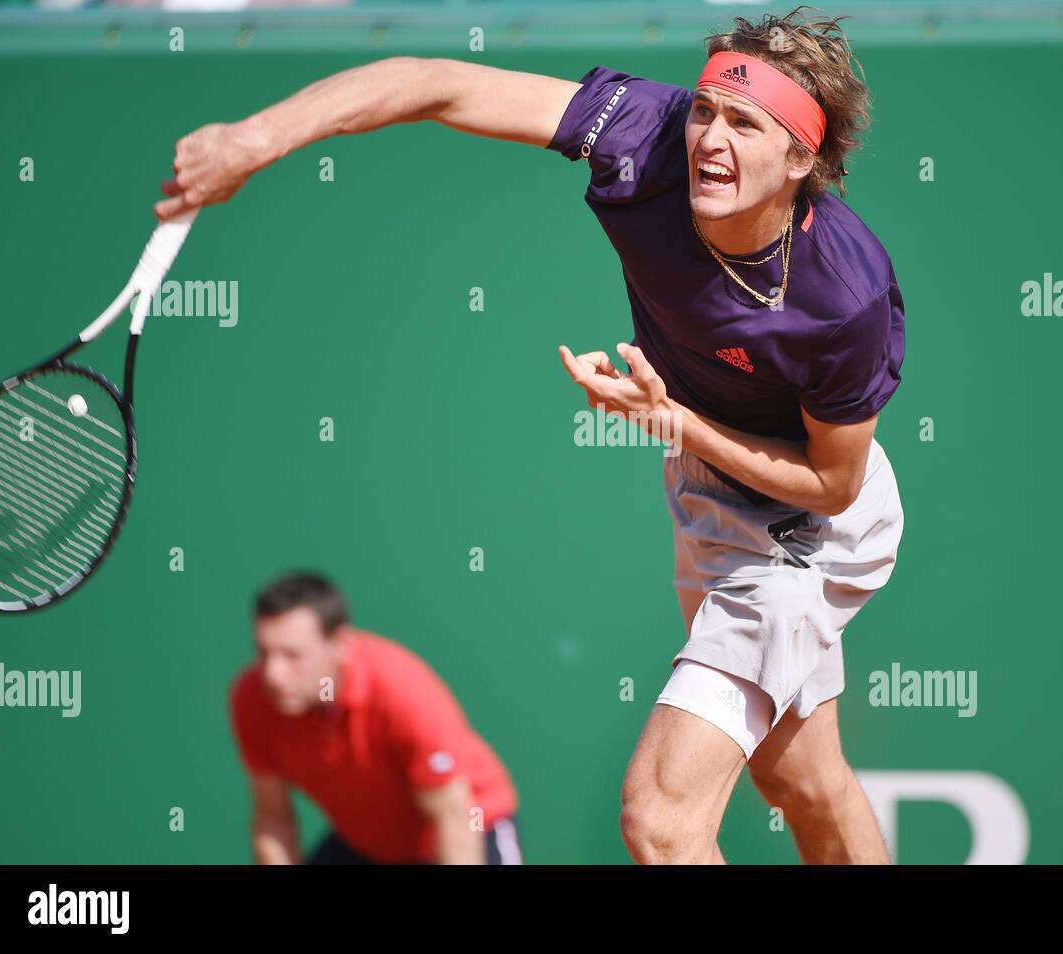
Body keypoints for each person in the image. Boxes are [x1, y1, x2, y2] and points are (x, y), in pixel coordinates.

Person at [166, 5, 903, 865]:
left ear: (800, 158)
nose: (710, 138)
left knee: (662, 824)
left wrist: (674, 421)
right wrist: (256, 139)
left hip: (806, 530)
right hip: (711, 497)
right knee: (805, 783)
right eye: (706, 109)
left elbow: (833, 487)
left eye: (746, 123)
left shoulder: (843, 295)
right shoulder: (647, 131)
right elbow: (441, 85)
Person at [229, 572, 521, 864]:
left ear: (339, 644)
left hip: (467, 828)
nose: (273, 674)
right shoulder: (254, 699)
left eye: (292, 655)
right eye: (264, 653)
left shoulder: (401, 692)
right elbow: (273, 816)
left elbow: (452, 815)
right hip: (370, 845)